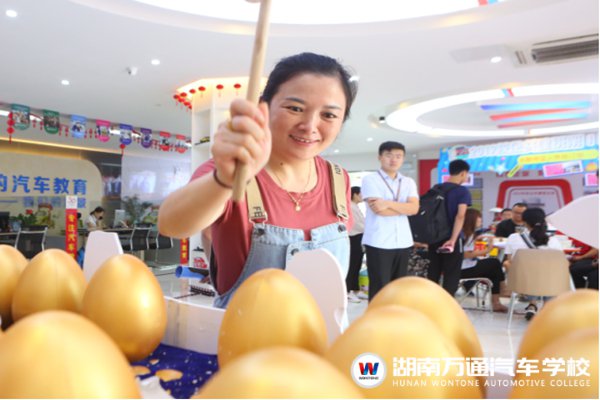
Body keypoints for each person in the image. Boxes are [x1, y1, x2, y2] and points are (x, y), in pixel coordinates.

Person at [158, 53, 358, 308]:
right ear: (264, 107)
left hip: (323, 333)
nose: (310, 126)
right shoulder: (231, 171)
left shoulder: (338, 180)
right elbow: (171, 225)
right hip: (243, 332)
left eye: (328, 115)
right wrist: (223, 181)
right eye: (295, 108)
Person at [360, 141, 419, 301]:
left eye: (398, 156)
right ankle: (377, 316)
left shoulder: (408, 182)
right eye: (389, 155)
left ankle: (395, 315)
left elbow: (414, 209)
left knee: (399, 288)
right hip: (379, 242)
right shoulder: (370, 180)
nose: (394, 160)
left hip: (403, 242)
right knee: (380, 288)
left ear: (403, 158)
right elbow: (379, 211)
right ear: (380, 157)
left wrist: (386, 203)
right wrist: (403, 207)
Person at [503, 207, 565, 320]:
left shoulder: (513, 238)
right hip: (549, 284)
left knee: (528, 272)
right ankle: (547, 307)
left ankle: (532, 304)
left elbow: (510, 261)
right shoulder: (553, 241)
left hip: (522, 284)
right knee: (550, 273)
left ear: (524, 221)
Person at [427, 159, 472, 296]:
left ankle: (430, 302)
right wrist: (453, 239)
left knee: (433, 271)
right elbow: (460, 215)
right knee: (451, 273)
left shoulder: (436, 188)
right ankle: (447, 304)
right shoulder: (462, 191)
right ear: (463, 173)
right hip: (452, 238)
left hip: (434, 237)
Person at [460, 208, 507, 312]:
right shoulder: (467, 234)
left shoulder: (464, 233)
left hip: (461, 268)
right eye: (479, 218)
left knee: (493, 270)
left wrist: (476, 240)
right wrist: (487, 250)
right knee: (494, 263)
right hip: (464, 269)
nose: (481, 220)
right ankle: (502, 291)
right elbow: (465, 254)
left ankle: (497, 301)